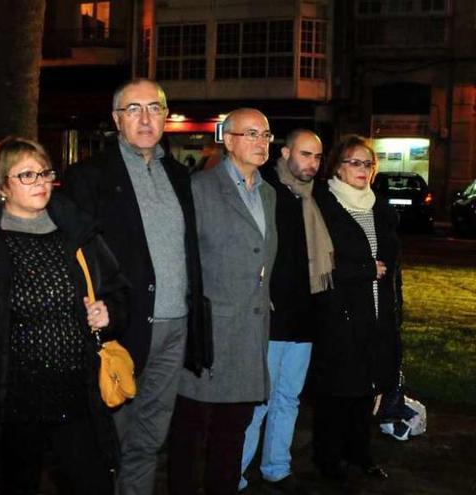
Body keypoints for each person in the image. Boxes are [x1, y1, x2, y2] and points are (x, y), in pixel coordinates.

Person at [63, 79, 205, 495]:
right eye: (133, 109)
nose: (145, 118)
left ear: (165, 115)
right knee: (114, 435)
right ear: (116, 120)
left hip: (175, 326)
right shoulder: (89, 177)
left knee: (149, 437)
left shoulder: (180, 176)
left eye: (154, 108)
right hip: (123, 327)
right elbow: (75, 256)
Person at [0, 136, 128, 494]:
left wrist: (109, 313)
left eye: (44, 173)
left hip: (77, 393)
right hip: (14, 399)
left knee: (91, 482)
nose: (41, 182)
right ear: (2, 187)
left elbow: (118, 289)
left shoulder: (76, 231)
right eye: (27, 175)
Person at [168, 108, 278, 495]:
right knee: (190, 433)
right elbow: (185, 260)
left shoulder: (268, 193)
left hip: (250, 333)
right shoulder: (200, 189)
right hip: (209, 335)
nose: (261, 141)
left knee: (233, 435)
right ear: (228, 140)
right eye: (251, 134)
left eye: (266, 134)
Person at [238, 129, 332, 493]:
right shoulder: (266, 190)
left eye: (317, 157)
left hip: (306, 316)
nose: (311, 163)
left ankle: (277, 466)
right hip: (272, 315)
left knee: (288, 398)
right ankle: (236, 474)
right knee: (259, 400)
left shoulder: (316, 197)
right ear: (286, 152)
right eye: (305, 155)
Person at [311, 135, 400, 483]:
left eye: (368, 163)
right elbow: (318, 263)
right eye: (354, 162)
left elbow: (392, 265)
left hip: (377, 311)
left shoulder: (379, 206)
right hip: (339, 312)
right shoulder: (325, 204)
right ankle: (328, 459)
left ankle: (360, 453)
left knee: (367, 389)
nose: (362, 170)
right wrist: (364, 271)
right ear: (337, 166)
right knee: (337, 391)